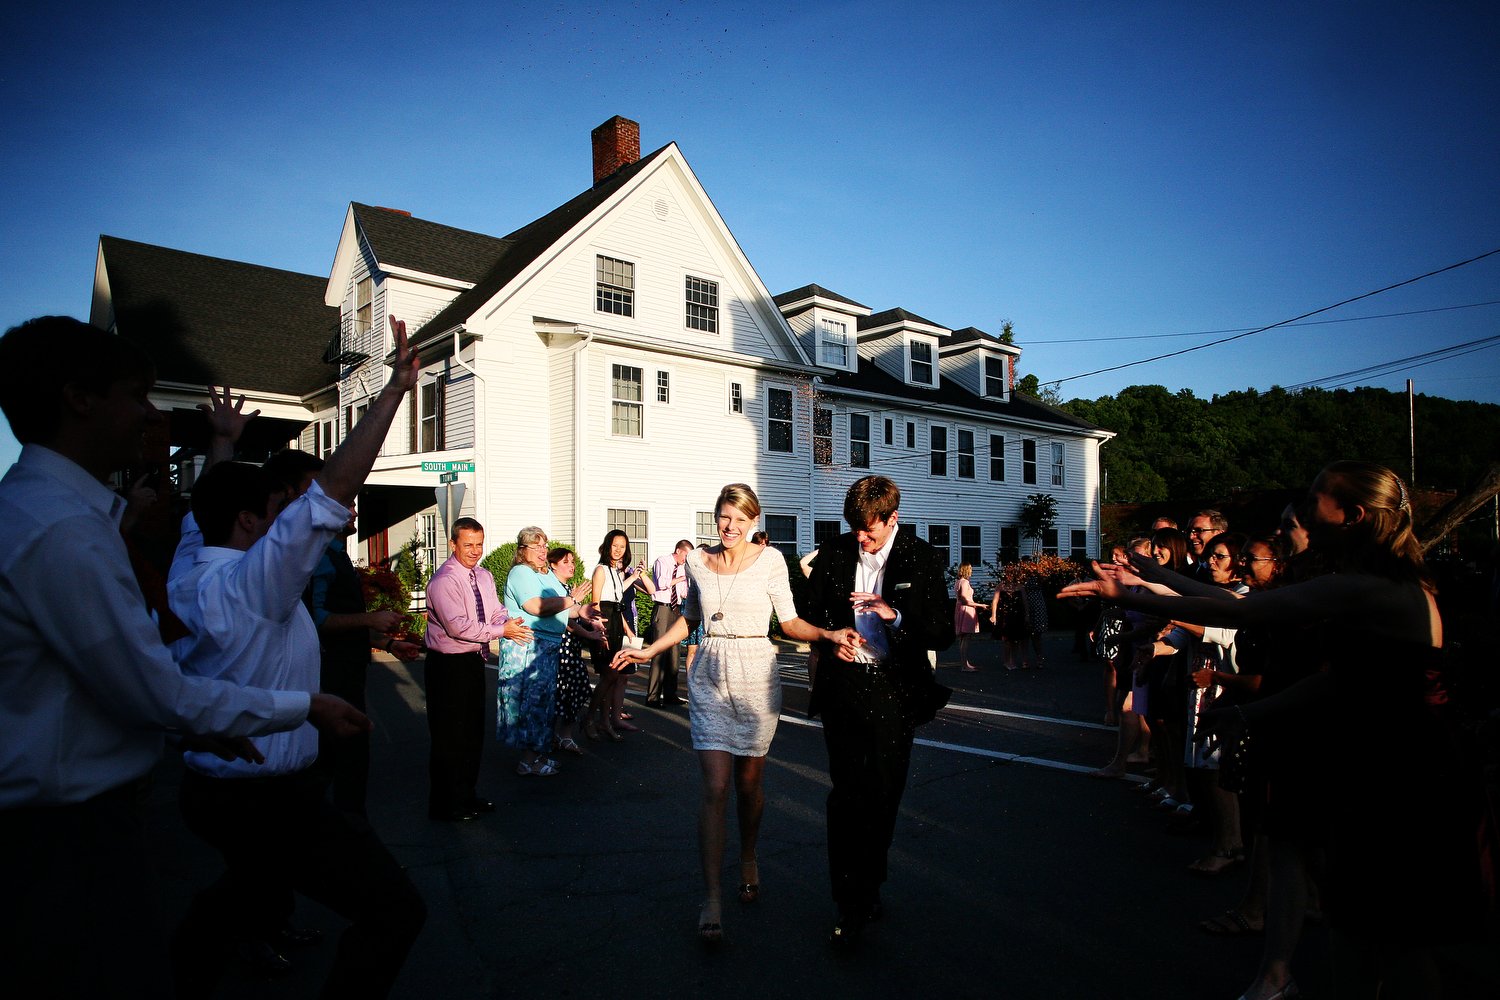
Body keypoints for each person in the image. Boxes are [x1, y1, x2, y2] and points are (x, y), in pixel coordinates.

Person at [0, 316, 368, 998]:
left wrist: (225, 448)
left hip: (84, 816)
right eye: (136, 394)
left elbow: (206, 524)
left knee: (225, 906)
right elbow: (153, 690)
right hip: (63, 831)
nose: (147, 414)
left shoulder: (57, 519)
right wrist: (301, 706)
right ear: (79, 397)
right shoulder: (62, 533)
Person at [1059, 463, 1486, 1000]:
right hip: (1386, 770)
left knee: (1382, 939)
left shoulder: (1372, 589)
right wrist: (1245, 713)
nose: (1301, 515)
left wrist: (1130, 596)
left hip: (1400, 782)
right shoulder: (1380, 584)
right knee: (1375, 938)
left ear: (1352, 516)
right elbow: (1338, 681)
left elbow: (1245, 610)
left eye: (1314, 502)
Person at [166, 315, 427, 998]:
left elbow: (208, 513)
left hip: (214, 789)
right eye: (275, 513)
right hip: (264, 796)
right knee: (396, 909)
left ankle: (189, 961)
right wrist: (394, 393)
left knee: (247, 890)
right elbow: (331, 493)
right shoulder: (258, 584)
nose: (289, 525)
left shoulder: (190, 567)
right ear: (255, 524)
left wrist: (224, 446)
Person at [614, 483, 858, 945]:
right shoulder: (696, 563)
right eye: (725, 518)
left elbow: (788, 622)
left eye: (741, 521)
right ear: (716, 516)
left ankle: (748, 856)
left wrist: (826, 635)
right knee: (716, 787)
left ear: (754, 522)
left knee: (749, 785)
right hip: (709, 672)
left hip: (756, 675)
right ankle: (711, 898)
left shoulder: (771, 561)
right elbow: (689, 618)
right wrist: (650, 650)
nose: (731, 527)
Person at [805, 475, 955, 948]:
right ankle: (848, 903)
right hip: (845, 686)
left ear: (894, 517)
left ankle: (870, 882)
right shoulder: (833, 554)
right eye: (855, 529)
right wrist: (832, 642)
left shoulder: (923, 558)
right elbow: (809, 616)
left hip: (894, 689)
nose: (861, 539)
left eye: (870, 530)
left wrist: (896, 617)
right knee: (846, 795)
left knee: (883, 795)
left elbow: (941, 633)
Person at [425, 516, 532, 819]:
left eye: (479, 544)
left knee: (471, 734)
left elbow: (496, 610)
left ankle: (466, 795)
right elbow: (459, 627)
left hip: (473, 661)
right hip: (447, 666)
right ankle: (445, 804)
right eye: (468, 545)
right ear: (453, 544)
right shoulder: (444, 581)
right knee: (450, 736)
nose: (475, 551)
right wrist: (502, 632)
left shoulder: (483, 576)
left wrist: (508, 622)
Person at [499, 526, 592, 775]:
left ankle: (537, 755)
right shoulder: (521, 572)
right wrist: (572, 600)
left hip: (549, 646)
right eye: (536, 546)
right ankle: (528, 761)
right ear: (523, 550)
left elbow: (566, 609)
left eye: (544, 545)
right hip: (528, 645)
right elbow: (535, 606)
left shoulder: (546, 575)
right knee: (532, 704)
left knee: (544, 704)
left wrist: (584, 612)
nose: (542, 551)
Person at [586, 529, 650, 737]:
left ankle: (605, 722)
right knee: (608, 676)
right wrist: (599, 630)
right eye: (615, 546)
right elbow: (596, 603)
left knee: (614, 677)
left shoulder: (616, 571)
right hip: (604, 624)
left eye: (622, 547)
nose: (618, 550)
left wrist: (628, 630)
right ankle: (588, 720)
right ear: (607, 546)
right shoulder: (601, 570)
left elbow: (617, 601)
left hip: (615, 623)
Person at [548, 546, 604, 756]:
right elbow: (566, 622)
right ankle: (554, 736)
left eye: (572, 561)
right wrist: (588, 634)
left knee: (576, 690)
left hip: (572, 649)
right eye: (565, 562)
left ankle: (565, 735)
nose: (571, 565)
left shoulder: (568, 588)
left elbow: (576, 616)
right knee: (559, 694)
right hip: (559, 649)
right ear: (552, 565)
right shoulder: (552, 589)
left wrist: (589, 619)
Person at [647, 539, 692, 706]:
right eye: (685, 555)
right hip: (662, 608)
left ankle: (670, 694)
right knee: (658, 652)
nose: (685, 560)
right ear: (679, 551)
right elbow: (662, 583)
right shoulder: (662, 561)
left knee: (674, 652)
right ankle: (652, 696)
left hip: (676, 609)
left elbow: (683, 592)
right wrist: (680, 578)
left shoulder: (682, 568)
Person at [952, 562, 982, 671]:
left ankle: (965, 663)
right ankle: (964, 665)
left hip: (960, 609)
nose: (971, 571)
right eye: (970, 569)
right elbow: (965, 600)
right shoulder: (964, 582)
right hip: (966, 610)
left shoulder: (958, 582)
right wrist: (981, 605)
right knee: (965, 638)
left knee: (963, 638)